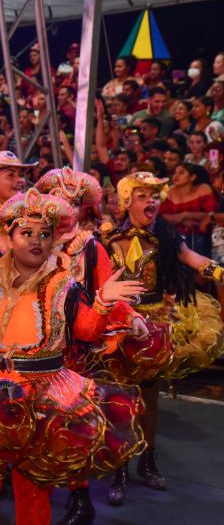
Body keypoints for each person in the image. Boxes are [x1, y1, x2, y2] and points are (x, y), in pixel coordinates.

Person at [0, 187, 144, 525]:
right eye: (26, 233)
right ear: (8, 238)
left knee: (34, 487)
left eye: (44, 234)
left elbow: (85, 331)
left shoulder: (63, 284)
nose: (36, 241)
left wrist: (103, 302)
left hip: (45, 397)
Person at [35, 167, 152, 525]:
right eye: (59, 199)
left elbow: (108, 290)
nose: (65, 206)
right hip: (35, 343)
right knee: (39, 421)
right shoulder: (32, 238)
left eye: (73, 201)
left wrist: (129, 315)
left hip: (75, 346)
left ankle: (80, 496)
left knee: (72, 422)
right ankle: (37, 489)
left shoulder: (90, 247)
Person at [103, 172, 224, 506]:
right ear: (127, 201)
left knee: (149, 397)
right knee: (118, 398)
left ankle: (148, 459)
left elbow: (192, 258)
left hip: (154, 324)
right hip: (117, 324)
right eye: (143, 195)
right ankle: (119, 467)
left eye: (155, 196)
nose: (151, 202)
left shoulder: (167, 233)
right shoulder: (108, 236)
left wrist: (220, 271)